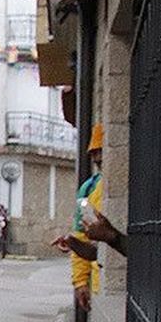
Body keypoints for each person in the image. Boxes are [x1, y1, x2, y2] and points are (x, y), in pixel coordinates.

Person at [52, 123, 108, 310]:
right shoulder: (88, 190)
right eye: (97, 160)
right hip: (100, 285)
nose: (99, 161)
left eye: (102, 156)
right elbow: (82, 235)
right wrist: (80, 282)